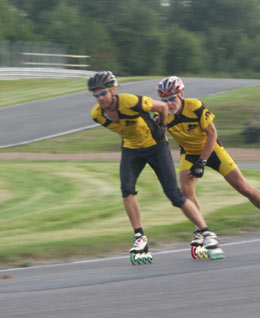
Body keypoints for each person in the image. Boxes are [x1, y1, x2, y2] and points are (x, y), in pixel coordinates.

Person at [88, 71, 222, 258]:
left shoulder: (130, 101)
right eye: (95, 95)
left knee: (174, 195)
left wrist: (163, 128)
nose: (99, 98)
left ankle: (206, 232)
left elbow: (162, 107)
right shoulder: (98, 116)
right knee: (127, 190)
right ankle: (139, 237)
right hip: (132, 149)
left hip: (156, 147)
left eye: (102, 93)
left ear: (113, 90)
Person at [156, 76, 260, 245]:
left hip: (211, 149)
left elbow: (212, 134)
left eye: (172, 98)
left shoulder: (194, 106)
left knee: (242, 187)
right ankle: (202, 231)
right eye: (164, 100)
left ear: (181, 94)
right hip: (189, 153)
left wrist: (202, 162)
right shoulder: (164, 114)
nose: (169, 103)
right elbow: (157, 137)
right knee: (186, 190)